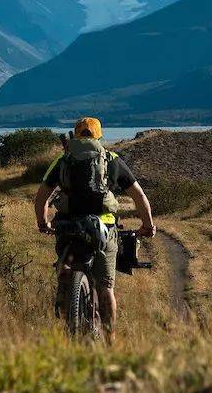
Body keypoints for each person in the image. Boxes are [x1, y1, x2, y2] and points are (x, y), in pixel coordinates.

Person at [33, 117, 156, 340]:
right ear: (99, 136)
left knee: (66, 269)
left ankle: (65, 294)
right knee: (106, 287)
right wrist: (147, 225)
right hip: (104, 227)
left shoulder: (62, 160)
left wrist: (43, 223)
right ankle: (110, 340)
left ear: (76, 135)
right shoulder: (111, 159)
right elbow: (139, 196)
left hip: (67, 226)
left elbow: (41, 197)